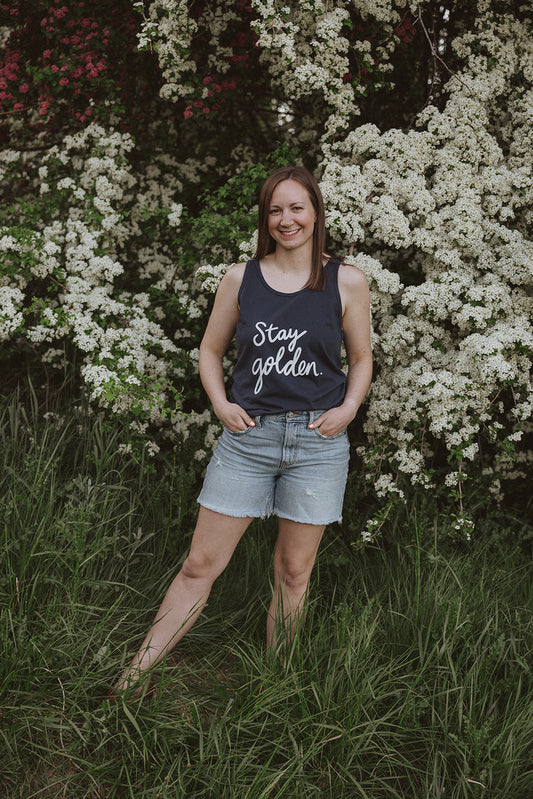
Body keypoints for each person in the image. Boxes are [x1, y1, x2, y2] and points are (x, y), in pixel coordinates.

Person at [115, 165, 372, 694]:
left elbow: (362, 358)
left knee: (294, 573)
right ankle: (132, 679)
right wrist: (220, 403)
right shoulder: (241, 278)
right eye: (275, 210)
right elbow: (210, 351)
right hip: (248, 440)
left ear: (316, 212)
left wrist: (348, 408)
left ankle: (274, 687)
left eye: (297, 207)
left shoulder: (347, 280)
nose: (286, 219)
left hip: (317, 444)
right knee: (199, 564)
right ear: (265, 218)